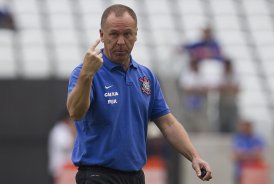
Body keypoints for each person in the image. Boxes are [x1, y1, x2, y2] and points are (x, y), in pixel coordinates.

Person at [67, 4, 212, 184]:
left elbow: (168, 123)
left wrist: (194, 156)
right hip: (98, 175)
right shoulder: (84, 73)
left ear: (136, 34)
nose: (120, 41)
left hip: (135, 176)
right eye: (113, 34)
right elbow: (76, 112)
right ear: (102, 35)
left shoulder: (146, 77)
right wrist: (87, 75)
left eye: (127, 34)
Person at [178, 58, 209, 132]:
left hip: (200, 100)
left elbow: (205, 88)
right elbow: (185, 87)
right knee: (190, 118)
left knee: (200, 118)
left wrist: (196, 89)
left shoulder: (202, 75)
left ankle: (201, 132)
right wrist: (197, 89)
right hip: (190, 100)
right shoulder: (187, 74)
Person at [232, 120, 266, 184]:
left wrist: (243, 155)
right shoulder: (238, 139)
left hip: (255, 173)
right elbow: (235, 156)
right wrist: (251, 155)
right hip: (240, 173)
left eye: (247, 126)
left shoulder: (258, 139)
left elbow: (259, 156)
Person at [48, 110, 76, 184]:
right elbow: (67, 145)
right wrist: (74, 133)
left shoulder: (68, 128)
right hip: (60, 170)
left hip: (70, 170)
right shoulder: (60, 129)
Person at [217, 58, 240, 133]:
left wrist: (226, 88)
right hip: (223, 102)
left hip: (231, 102)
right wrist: (229, 88)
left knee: (232, 121)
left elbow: (237, 89)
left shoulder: (235, 75)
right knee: (223, 121)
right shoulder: (221, 75)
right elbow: (219, 87)